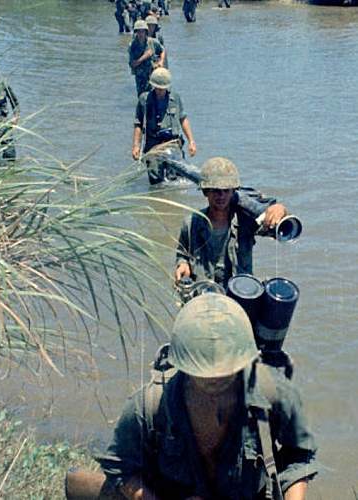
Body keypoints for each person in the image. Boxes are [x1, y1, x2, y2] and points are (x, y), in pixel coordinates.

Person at [94, 293, 318, 499]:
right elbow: (120, 468)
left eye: (226, 370)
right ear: (182, 363)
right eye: (202, 372)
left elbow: (300, 456)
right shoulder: (149, 405)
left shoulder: (276, 394)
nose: (215, 379)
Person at [175, 157, 288, 288]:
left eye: (226, 191)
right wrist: (182, 265)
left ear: (233, 191)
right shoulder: (191, 223)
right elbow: (182, 254)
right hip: (203, 293)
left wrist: (280, 210)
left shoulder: (245, 221)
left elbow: (278, 230)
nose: (221, 196)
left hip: (239, 293)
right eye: (216, 190)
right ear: (206, 192)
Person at [131, 67, 196, 184]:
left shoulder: (175, 98)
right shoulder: (144, 100)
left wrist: (191, 141)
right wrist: (136, 146)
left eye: (162, 88)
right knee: (156, 181)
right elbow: (138, 124)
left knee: (176, 179)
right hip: (153, 145)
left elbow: (183, 118)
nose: (159, 91)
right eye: (157, 88)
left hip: (173, 144)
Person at [128, 20, 165, 97]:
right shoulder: (133, 45)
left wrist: (161, 61)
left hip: (153, 75)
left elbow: (162, 50)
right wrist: (144, 57)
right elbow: (132, 64)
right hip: (140, 78)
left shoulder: (152, 42)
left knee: (154, 97)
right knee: (142, 98)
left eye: (142, 31)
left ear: (146, 32)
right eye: (138, 32)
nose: (140, 34)